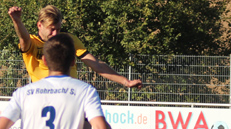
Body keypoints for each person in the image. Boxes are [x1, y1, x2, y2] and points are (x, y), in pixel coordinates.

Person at [8, 5, 143, 88]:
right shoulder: (32, 43)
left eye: (59, 29)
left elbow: (96, 64)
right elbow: (23, 38)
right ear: (39, 25)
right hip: (43, 99)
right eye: (52, 29)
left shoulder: (69, 40)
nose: (56, 34)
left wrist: (126, 81)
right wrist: (17, 21)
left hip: (70, 97)